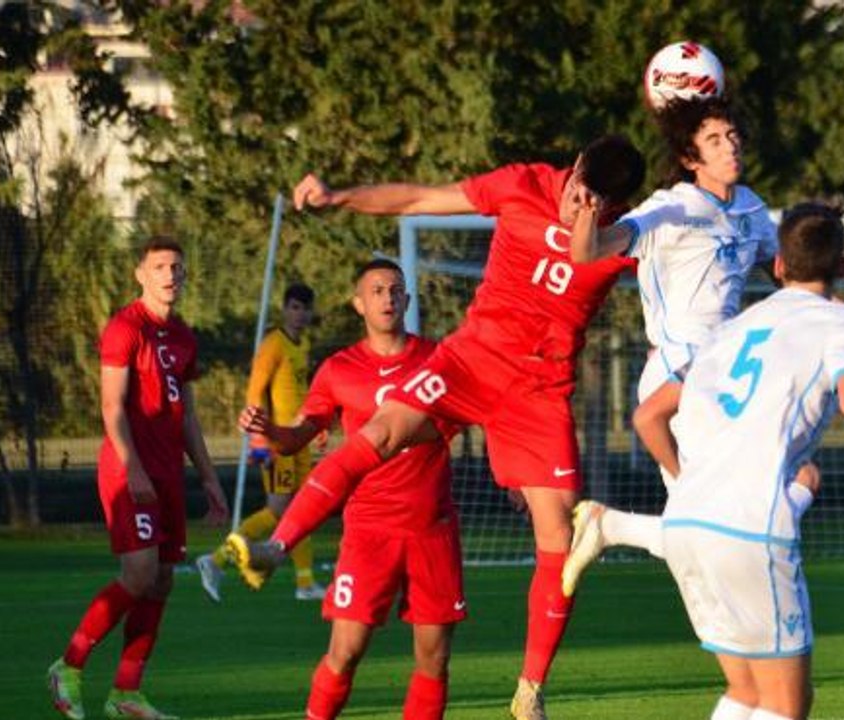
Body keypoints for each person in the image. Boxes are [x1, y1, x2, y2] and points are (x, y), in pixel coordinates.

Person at [227, 133, 647, 720]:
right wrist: (339, 195)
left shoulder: (631, 233)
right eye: (578, 188)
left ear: (617, 205)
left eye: (595, 201)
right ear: (572, 166)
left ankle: (530, 690)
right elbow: (419, 200)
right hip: (471, 360)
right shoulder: (523, 185)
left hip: (539, 394)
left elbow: (635, 261)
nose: (580, 203)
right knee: (379, 433)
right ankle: (275, 545)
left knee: (562, 537)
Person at [561, 97, 844, 595]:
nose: (730, 147)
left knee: (756, 502)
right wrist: (587, 213)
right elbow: (588, 253)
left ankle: (613, 528)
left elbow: (797, 279)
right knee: (731, 520)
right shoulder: (670, 207)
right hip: (677, 368)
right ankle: (622, 534)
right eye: (714, 140)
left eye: (733, 137)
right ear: (691, 159)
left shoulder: (752, 209)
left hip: (724, 368)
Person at [662, 200, 844, 719]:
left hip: (684, 519)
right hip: (749, 527)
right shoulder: (841, 322)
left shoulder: (729, 332)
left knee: (747, 694)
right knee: (786, 705)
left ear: (778, 265)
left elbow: (657, 414)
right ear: (842, 267)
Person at [238, 259, 464, 720]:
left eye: (394, 289)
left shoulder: (437, 360)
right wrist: (272, 432)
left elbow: (479, 415)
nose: (386, 297)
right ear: (358, 303)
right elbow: (301, 434)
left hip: (431, 529)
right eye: (376, 290)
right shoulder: (338, 369)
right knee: (345, 650)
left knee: (434, 659)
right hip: (369, 530)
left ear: (407, 300)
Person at [47, 237, 229, 720]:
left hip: (168, 475)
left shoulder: (185, 337)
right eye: (160, 267)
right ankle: (68, 666)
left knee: (163, 580)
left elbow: (187, 417)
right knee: (140, 573)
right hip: (129, 470)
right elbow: (111, 407)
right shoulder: (125, 329)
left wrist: (208, 479)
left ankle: (125, 692)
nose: (170, 275)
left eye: (177, 267)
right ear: (140, 274)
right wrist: (132, 467)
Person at [196, 283, 327, 602]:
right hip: (279, 440)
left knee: (302, 507)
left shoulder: (302, 343)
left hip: (299, 439)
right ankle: (215, 561)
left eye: (305, 309)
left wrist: (316, 425)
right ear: (284, 309)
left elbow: (302, 391)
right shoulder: (273, 344)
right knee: (277, 511)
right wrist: (259, 439)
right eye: (294, 308)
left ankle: (306, 582)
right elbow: (255, 393)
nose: (300, 315)